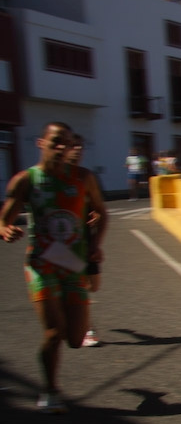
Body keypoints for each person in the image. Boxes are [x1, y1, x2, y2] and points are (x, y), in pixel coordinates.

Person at [1, 121, 107, 412]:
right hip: (41, 265)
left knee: (75, 339)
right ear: (41, 143)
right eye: (56, 141)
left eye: (68, 143)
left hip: (74, 264)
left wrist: (96, 244)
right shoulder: (26, 180)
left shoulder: (83, 178)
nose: (63, 148)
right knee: (53, 332)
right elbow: (4, 218)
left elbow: (101, 211)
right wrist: (4, 229)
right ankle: (50, 390)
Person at [66, 133, 101, 347]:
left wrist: (96, 216)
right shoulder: (50, 180)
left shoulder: (86, 177)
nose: (78, 150)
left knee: (93, 285)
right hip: (65, 243)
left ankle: (80, 319)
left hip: (87, 239)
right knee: (80, 286)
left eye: (80, 146)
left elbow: (99, 208)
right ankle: (87, 328)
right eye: (73, 146)